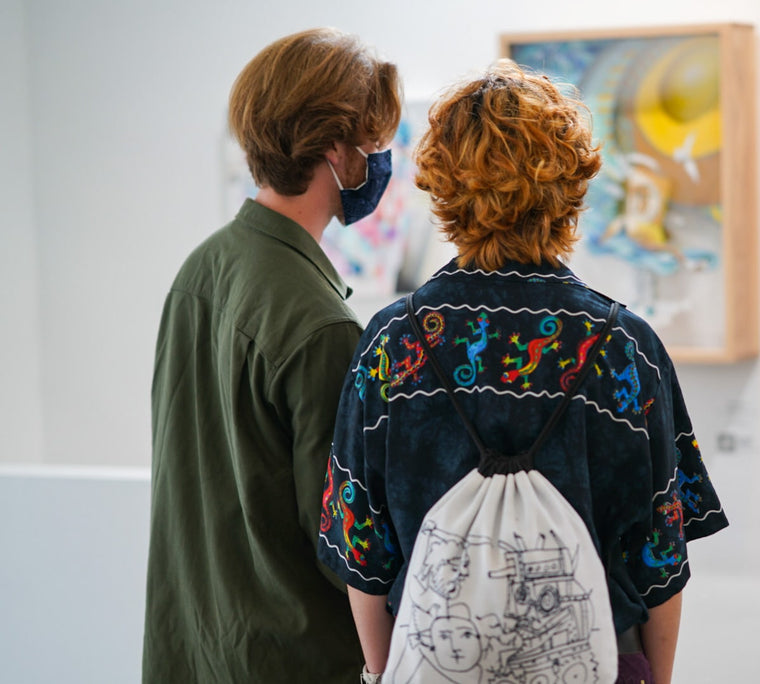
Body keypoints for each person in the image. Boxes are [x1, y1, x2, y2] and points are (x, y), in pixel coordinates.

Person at [317, 60, 728, 684]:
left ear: (444, 183)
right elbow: (661, 555)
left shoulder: (392, 343)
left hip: (437, 660)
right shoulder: (625, 345)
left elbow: (361, 550)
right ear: (572, 181)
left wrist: (382, 673)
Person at [143, 28, 401, 682]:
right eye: (373, 141)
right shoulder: (322, 326)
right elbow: (342, 547)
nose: (380, 159)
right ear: (336, 149)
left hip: (194, 650)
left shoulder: (201, 270)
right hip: (295, 660)